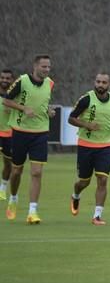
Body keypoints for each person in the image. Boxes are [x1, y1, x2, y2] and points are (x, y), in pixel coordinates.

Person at [3, 55, 55, 224]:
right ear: (35, 66)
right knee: (16, 171)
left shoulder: (50, 83)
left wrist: (49, 111)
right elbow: (6, 101)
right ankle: (14, 198)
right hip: (19, 132)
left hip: (40, 133)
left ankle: (33, 211)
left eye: (48, 67)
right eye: (43, 66)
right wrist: (23, 108)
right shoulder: (22, 81)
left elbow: (43, 103)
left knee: (37, 172)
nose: (46, 70)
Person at [68, 73, 110, 225]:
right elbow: (71, 118)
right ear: (94, 82)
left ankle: (97, 216)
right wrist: (87, 125)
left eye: (104, 82)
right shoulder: (86, 99)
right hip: (86, 146)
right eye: (98, 81)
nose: (100, 85)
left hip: (105, 146)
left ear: (109, 84)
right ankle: (76, 195)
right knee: (83, 182)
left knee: (103, 180)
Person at [0, 69, 15, 200]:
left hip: (10, 135)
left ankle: (3, 188)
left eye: (7, 78)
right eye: (2, 77)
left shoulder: (15, 96)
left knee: (8, 164)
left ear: (12, 80)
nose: (4, 80)